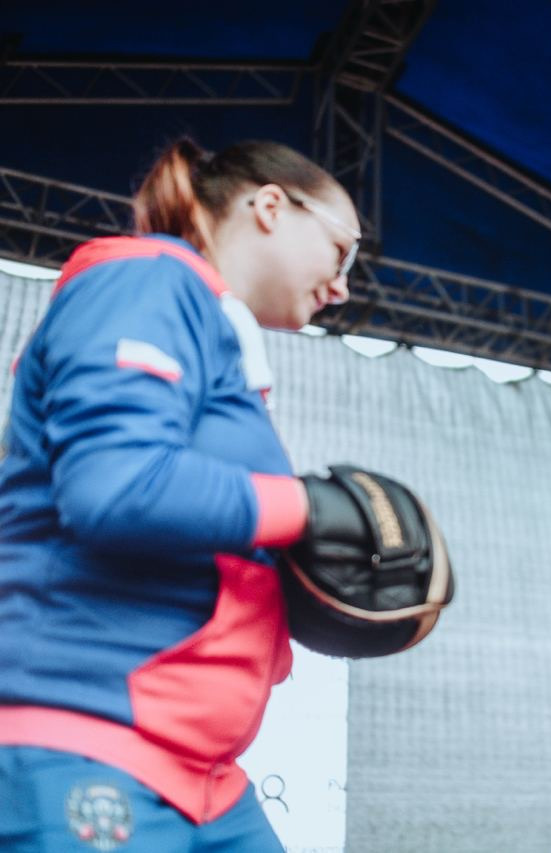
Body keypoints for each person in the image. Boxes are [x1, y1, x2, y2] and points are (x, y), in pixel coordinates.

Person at [0, 137, 371, 850]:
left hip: (201, 776)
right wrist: (311, 509)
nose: (341, 287)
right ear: (271, 207)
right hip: (87, 741)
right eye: (341, 251)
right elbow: (116, 486)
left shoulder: (209, 329)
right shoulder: (146, 279)